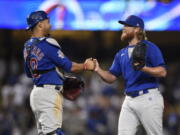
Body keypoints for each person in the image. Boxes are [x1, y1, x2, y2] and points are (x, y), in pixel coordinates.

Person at [91, 15, 167, 135]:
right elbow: (111, 77)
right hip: (129, 99)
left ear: (137, 29)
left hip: (148, 97)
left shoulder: (149, 47)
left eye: (127, 25)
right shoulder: (121, 53)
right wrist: (98, 69)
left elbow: (162, 72)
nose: (123, 28)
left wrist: (144, 68)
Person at [23, 11, 94, 135]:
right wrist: (86, 66)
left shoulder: (27, 46)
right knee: (54, 133)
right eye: (47, 22)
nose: (49, 25)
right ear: (40, 25)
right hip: (48, 94)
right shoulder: (46, 44)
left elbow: (29, 73)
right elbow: (69, 66)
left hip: (36, 94)